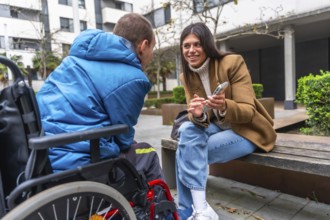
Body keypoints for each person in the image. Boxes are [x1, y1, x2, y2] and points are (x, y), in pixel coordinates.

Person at [36, 13, 163, 182]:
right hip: (83, 164)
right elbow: (123, 138)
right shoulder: (134, 78)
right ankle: (162, 209)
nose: (152, 54)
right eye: (152, 48)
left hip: (43, 160)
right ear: (143, 46)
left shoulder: (72, 61)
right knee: (148, 153)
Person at [176, 22, 277, 220]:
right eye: (186, 46)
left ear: (207, 45)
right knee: (187, 130)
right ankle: (200, 210)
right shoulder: (186, 76)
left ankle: (188, 211)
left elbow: (247, 112)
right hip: (216, 127)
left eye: (197, 44)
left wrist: (224, 106)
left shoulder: (232, 62)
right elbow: (195, 116)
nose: (191, 50)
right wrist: (197, 115)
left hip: (247, 131)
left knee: (186, 151)